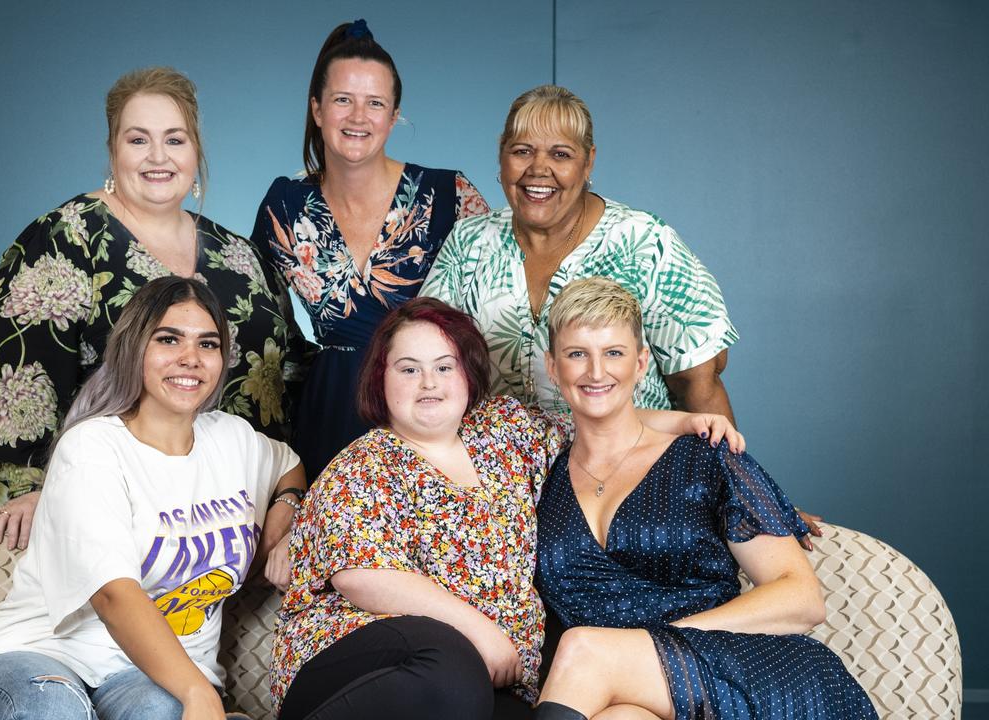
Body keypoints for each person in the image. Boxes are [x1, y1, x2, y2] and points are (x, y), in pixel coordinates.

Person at [270, 297, 743, 720]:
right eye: (408, 369)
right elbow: (362, 573)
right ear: (381, 378)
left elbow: (599, 420)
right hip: (355, 665)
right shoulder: (363, 462)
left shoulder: (504, 431)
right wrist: (481, 633)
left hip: (488, 682)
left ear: (467, 374)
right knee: (448, 665)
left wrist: (688, 420)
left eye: (445, 366)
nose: (428, 383)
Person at [0, 67, 307, 550]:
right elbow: (13, 380)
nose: (158, 157)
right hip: (90, 514)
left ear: (196, 150)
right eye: (138, 140)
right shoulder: (67, 240)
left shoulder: (240, 256)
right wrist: (39, 490)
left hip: (224, 520)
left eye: (175, 140)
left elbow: (288, 368)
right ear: (113, 150)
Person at [0, 276, 306, 720]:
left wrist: (280, 523)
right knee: (55, 709)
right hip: (37, 662)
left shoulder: (233, 440)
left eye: (208, 344)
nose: (190, 358)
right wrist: (199, 693)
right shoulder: (92, 447)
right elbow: (113, 595)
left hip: (144, 681)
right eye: (169, 339)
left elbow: (289, 466)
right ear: (135, 347)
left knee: (161, 713)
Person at [532, 277, 875, 720]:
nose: (597, 372)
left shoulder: (706, 455)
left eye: (613, 353)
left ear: (640, 364)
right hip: (626, 697)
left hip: (735, 670)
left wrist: (660, 641)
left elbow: (802, 598)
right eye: (578, 354)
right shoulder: (538, 465)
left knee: (582, 646)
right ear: (553, 367)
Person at [250, 19, 490, 480]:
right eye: (343, 100)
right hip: (331, 412)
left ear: (394, 114)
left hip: (432, 415)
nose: (358, 118)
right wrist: (316, 377)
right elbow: (263, 321)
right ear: (317, 109)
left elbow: (492, 323)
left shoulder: (449, 197)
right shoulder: (286, 203)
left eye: (374, 103)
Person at [420, 84, 736, 422]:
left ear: (588, 162)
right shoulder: (469, 242)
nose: (538, 169)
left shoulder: (645, 243)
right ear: (502, 155)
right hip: (497, 469)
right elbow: (423, 358)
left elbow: (699, 383)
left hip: (628, 466)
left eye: (560, 154)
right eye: (522, 151)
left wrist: (725, 473)